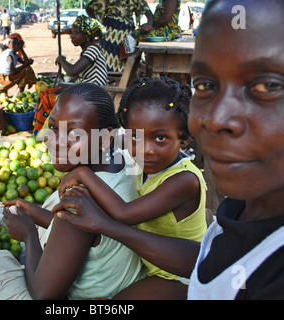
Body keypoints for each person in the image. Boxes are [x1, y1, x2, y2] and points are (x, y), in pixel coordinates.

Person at [54, 0, 284, 299]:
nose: (215, 119)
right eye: (204, 85)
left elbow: (125, 217)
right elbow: (204, 257)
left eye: (268, 85)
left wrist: (87, 183)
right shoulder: (239, 212)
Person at [0, 83, 146, 300]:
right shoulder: (126, 160)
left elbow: (43, 294)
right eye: (53, 128)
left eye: (73, 133)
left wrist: (29, 235)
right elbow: (85, 237)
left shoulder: (79, 201)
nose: (56, 142)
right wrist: (36, 213)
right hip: (118, 285)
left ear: (105, 138)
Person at [56, 77, 206, 299]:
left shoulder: (184, 180)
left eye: (161, 138)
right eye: (135, 136)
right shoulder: (145, 164)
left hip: (181, 275)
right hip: (156, 263)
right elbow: (107, 146)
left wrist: (82, 173)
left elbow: (123, 214)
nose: (146, 149)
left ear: (184, 138)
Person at [86, 0, 154, 72]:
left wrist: (149, 24)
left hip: (126, 33)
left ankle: (122, 81)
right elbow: (89, 8)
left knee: (126, 62)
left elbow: (149, 13)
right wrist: (98, 24)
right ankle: (111, 80)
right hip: (109, 34)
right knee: (106, 62)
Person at [55, 15, 108, 87]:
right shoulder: (86, 50)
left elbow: (72, 71)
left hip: (94, 93)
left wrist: (61, 60)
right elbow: (77, 75)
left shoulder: (93, 49)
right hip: (87, 90)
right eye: (71, 32)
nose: (72, 36)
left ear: (87, 36)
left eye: (76, 33)